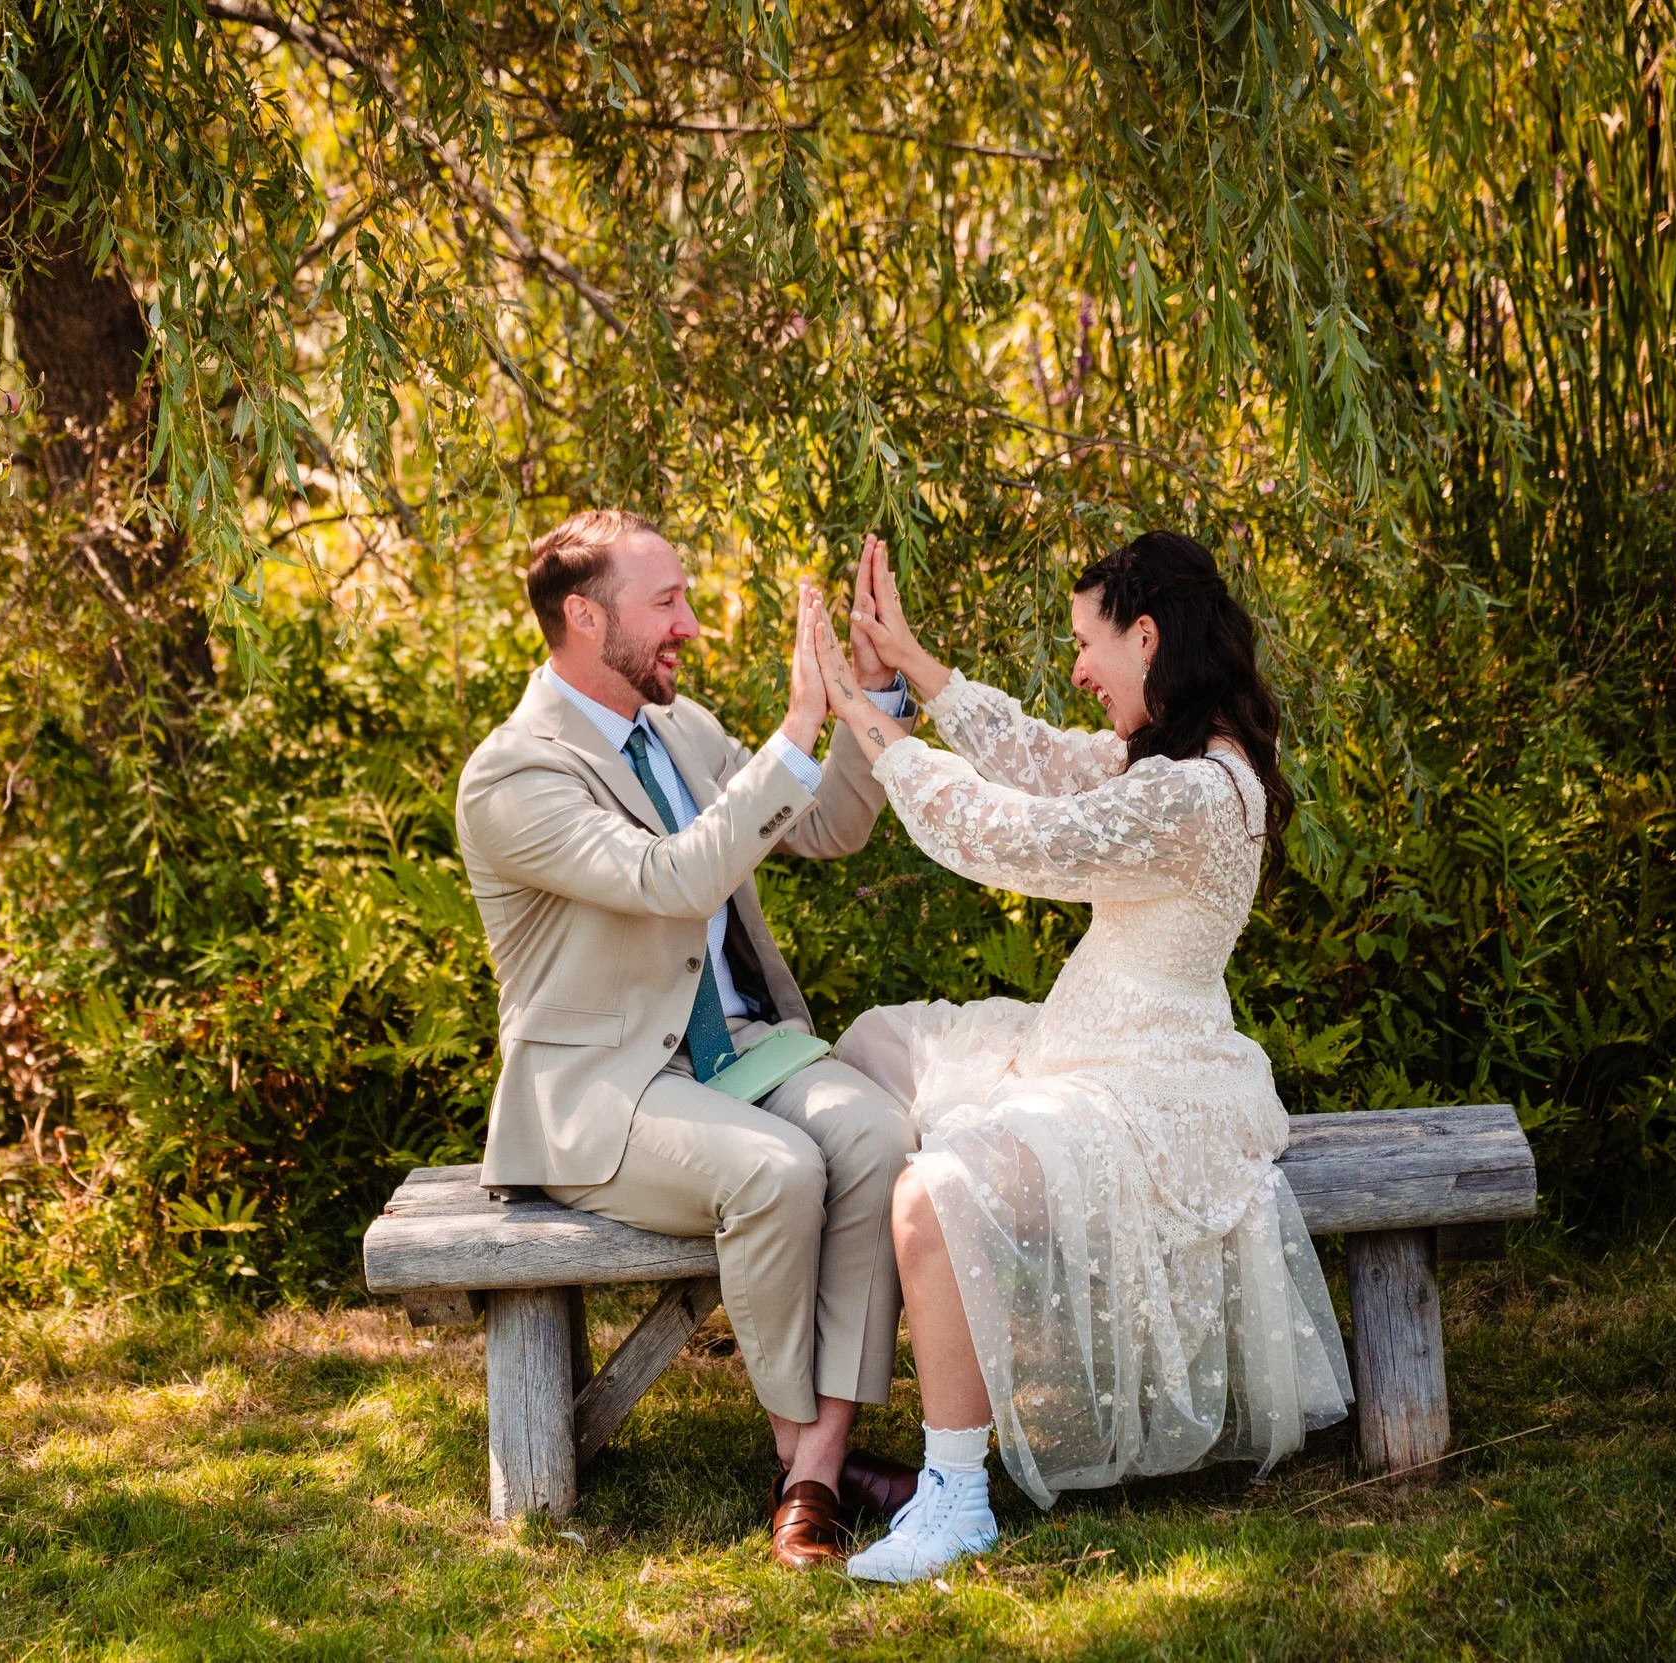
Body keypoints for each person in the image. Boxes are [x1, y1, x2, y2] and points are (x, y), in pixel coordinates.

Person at [809, 530, 1354, 1584]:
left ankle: (953, 1495)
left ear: (1145, 636)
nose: (1074, 668)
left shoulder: (1192, 795)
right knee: (878, 1042)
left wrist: (868, 722)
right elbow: (1045, 763)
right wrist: (916, 665)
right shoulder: (1176, 764)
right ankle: (828, 1340)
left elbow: (1014, 835)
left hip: (1142, 1093)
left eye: (1083, 643)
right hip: (1087, 1041)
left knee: (931, 1191)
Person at [455, 509, 921, 1568]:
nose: (690, 625)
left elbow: (830, 826)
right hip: (607, 1085)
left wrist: (862, 696)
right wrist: (792, 731)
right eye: (666, 602)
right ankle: (815, 1468)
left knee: (877, 1138)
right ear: (584, 616)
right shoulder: (513, 773)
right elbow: (668, 881)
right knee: (774, 1171)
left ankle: (813, 1464)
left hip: (736, 1047)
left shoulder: (683, 732)